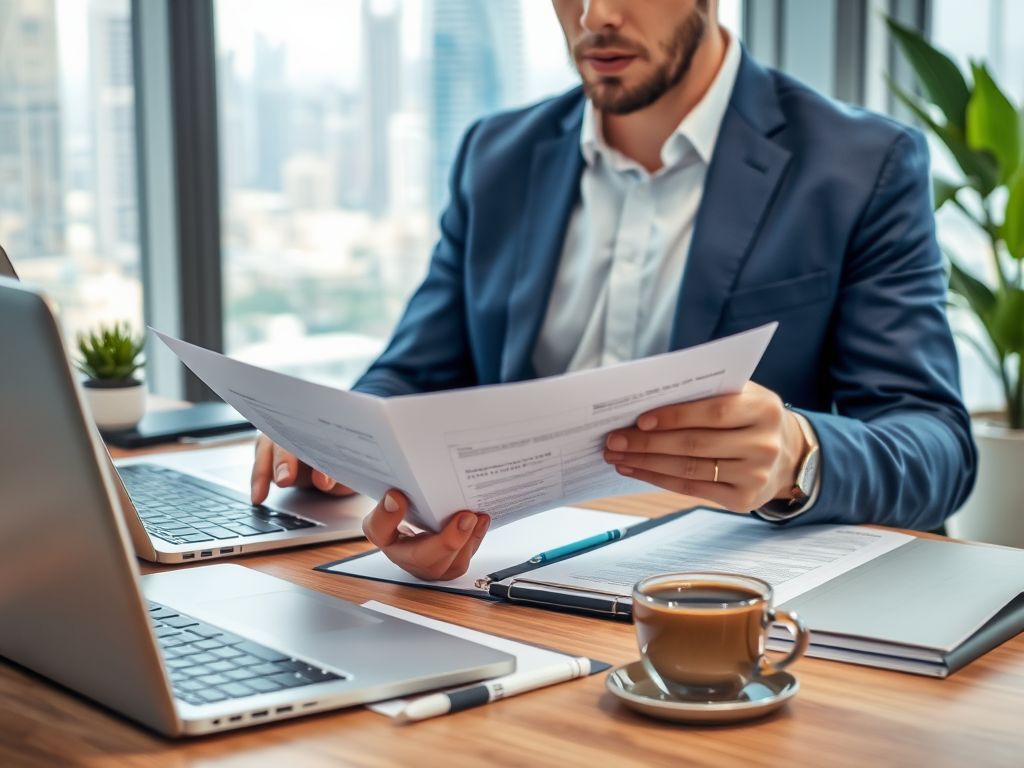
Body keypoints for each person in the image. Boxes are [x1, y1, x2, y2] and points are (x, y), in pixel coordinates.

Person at [251, 0, 977, 581]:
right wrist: (337, 445)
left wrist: (798, 454)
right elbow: (412, 373)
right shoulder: (495, 154)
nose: (595, 15)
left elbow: (936, 446)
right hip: (509, 581)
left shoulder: (862, 164)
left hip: (726, 603)